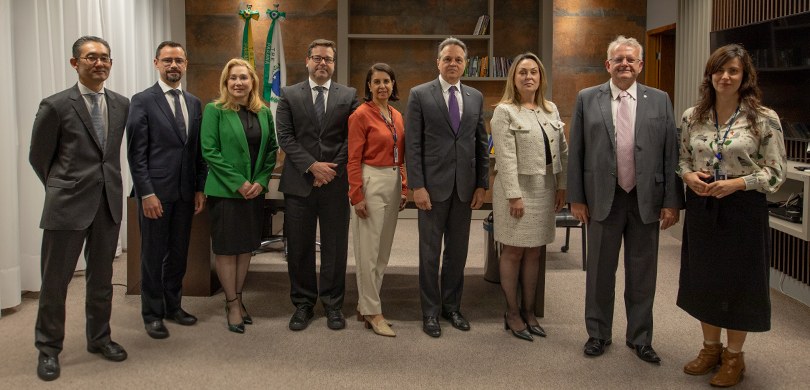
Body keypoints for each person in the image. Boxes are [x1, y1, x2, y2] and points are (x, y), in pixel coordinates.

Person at [567, 35, 682, 363]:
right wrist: (576, 197)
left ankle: (640, 337)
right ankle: (598, 334)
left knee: (643, 272)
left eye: (631, 59)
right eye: (618, 59)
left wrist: (672, 200)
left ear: (640, 65)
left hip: (647, 198)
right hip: (603, 197)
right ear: (608, 64)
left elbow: (670, 152)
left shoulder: (659, 100)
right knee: (600, 271)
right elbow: (576, 151)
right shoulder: (588, 98)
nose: (625, 64)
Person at [677, 44, 787, 387]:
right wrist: (688, 176)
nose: (725, 77)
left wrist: (739, 183)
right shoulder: (691, 117)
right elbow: (682, 159)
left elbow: (776, 173)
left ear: (744, 77)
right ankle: (710, 349)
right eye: (719, 70)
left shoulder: (763, 118)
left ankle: (734, 357)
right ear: (710, 75)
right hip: (702, 205)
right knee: (704, 279)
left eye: (733, 71)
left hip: (743, 209)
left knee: (739, 283)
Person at [29, 35, 129, 381]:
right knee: (55, 283)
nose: (99, 63)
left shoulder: (121, 104)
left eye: (105, 58)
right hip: (67, 206)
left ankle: (99, 339)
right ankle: (48, 348)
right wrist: (62, 188)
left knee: (102, 280)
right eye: (91, 57)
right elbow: (39, 157)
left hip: (107, 205)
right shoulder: (55, 105)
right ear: (75, 63)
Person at [405, 37, 490, 338]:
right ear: (437, 62)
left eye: (458, 59)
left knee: (457, 252)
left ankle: (451, 307)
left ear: (465, 63)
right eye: (447, 59)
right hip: (431, 188)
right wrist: (417, 185)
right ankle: (430, 312)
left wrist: (482, 184)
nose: (453, 63)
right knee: (429, 253)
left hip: (464, 189)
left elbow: (481, 143)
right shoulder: (419, 94)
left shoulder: (476, 96)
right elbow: (412, 145)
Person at [276, 39, 360, 331]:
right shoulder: (288, 94)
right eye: (317, 58)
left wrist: (329, 169)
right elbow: (285, 137)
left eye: (328, 59)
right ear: (307, 61)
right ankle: (303, 304)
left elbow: (353, 138)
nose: (322, 63)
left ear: (334, 64)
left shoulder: (349, 95)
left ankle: (333, 304)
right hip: (300, 182)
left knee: (335, 247)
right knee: (299, 246)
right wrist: (312, 166)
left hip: (335, 183)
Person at [127, 41, 207, 339]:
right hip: (155, 195)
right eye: (167, 60)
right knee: (152, 254)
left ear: (186, 64)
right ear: (156, 63)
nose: (174, 66)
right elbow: (136, 153)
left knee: (178, 254)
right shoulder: (142, 100)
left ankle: (174, 306)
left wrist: (199, 188)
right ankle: (152, 314)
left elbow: (197, 151)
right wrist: (145, 193)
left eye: (179, 61)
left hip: (185, 194)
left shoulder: (194, 102)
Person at [490, 53, 567, 342]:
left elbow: (563, 150)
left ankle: (530, 310)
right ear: (514, 78)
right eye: (522, 72)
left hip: (545, 187)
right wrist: (513, 196)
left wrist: (562, 186)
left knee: (535, 250)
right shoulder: (505, 111)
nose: (528, 77)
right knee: (513, 251)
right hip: (517, 190)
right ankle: (511, 312)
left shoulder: (550, 109)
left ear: (540, 77)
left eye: (533, 71)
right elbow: (506, 158)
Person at [201, 58, 278, 334]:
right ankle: (231, 302)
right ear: (225, 82)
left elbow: (271, 150)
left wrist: (260, 180)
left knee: (246, 247)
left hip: (254, 193)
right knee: (226, 249)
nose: (238, 83)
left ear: (252, 82)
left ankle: (239, 297)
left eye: (243, 78)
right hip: (226, 193)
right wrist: (239, 183)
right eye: (232, 78)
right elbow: (210, 151)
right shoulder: (215, 110)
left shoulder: (264, 112)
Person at [347, 63, 408, 337]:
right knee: (368, 252)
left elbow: (402, 154)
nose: (382, 86)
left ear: (393, 84)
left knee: (383, 251)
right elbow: (353, 159)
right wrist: (357, 195)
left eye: (387, 81)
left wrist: (404, 186)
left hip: (393, 181)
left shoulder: (396, 114)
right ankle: (373, 311)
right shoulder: (360, 115)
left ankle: (365, 305)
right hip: (370, 180)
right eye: (377, 81)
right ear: (369, 86)